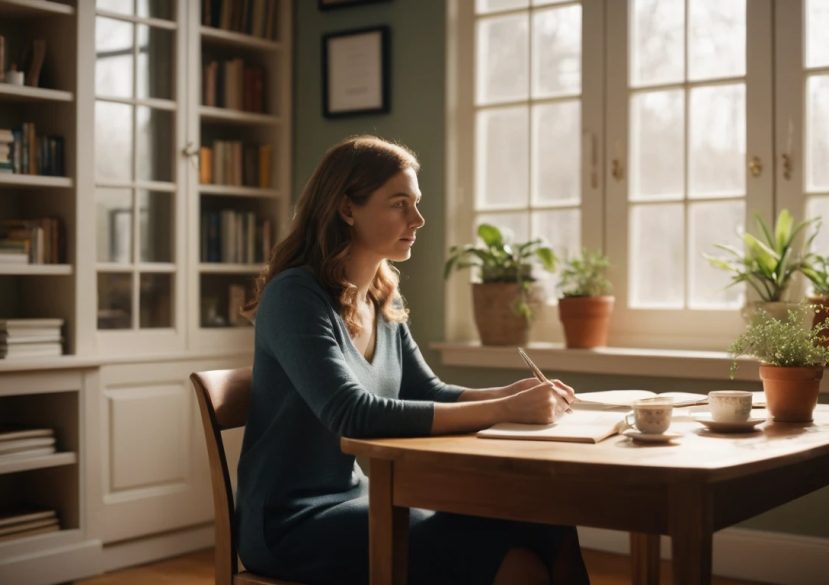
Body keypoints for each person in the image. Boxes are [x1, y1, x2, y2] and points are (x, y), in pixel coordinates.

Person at [235, 135, 590, 585]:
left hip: (361, 497)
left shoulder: (381, 295)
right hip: (289, 525)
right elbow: (351, 413)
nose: (418, 219)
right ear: (347, 209)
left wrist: (510, 392)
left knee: (546, 516)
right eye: (399, 204)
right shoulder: (295, 296)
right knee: (506, 560)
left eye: (415, 203)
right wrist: (504, 410)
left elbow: (427, 391)